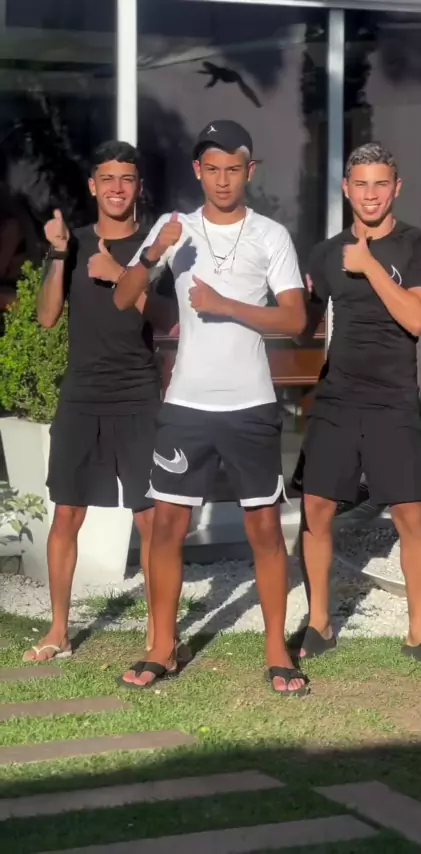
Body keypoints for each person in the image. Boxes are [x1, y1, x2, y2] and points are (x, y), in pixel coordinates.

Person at [91, 120, 309, 695]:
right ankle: (162, 647)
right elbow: (123, 298)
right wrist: (152, 254)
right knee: (167, 526)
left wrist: (226, 304)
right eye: (212, 169)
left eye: (233, 169)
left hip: (251, 405)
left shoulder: (271, 236)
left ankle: (277, 650)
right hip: (186, 405)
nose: (222, 179)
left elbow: (294, 318)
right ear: (197, 171)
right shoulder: (175, 228)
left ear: (249, 171)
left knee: (265, 528)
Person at [297, 142, 421, 670]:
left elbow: (416, 318)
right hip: (338, 399)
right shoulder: (324, 254)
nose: (371, 194)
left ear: (397, 188)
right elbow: (302, 325)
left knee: (411, 514)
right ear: (347, 189)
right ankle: (319, 623)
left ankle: (419, 633)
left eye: (381, 184)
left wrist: (369, 265)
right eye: (361, 184)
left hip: (393, 400)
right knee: (316, 509)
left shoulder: (420, 246)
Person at [23, 140, 163, 663]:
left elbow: (168, 318)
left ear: (138, 187)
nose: (116, 188)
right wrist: (59, 253)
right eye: (107, 178)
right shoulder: (75, 243)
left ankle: (158, 630)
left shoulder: (154, 248)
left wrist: (122, 274)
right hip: (81, 394)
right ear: (93, 186)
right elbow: (46, 317)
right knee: (67, 513)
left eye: (126, 178)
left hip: (139, 394)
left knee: (150, 518)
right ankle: (58, 630)